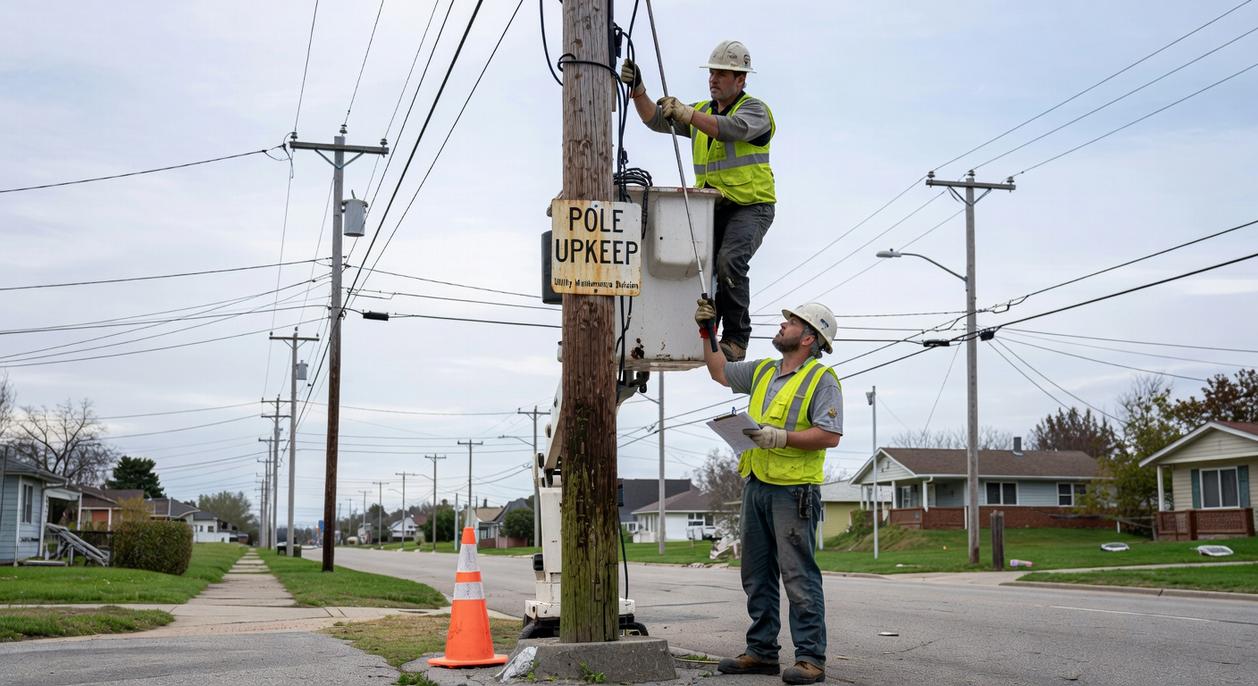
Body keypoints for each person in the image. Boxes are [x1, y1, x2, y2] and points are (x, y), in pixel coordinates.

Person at [694, 298, 842, 684]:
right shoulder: (763, 371)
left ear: (809, 337)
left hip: (794, 492)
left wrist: (782, 437)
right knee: (756, 575)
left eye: (791, 322)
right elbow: (719, 372)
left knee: (797, 575)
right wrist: (708, 332)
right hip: (757, 485)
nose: (782, 325)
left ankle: (811, 658)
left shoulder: (821, 380)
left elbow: (830, 435)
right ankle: (761, 653)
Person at [622, 40, 775, 362]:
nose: (714, 79)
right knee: (704, 272)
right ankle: (709, 334)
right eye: (712, 73)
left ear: (741, 80)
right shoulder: (702, 113)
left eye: (723, 74)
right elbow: (654, 120)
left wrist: (687, 114)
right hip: (714, 207)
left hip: (751, 205)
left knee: (729, 262)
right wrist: (639, 91)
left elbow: (730, 130)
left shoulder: (754, 111)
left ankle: (736, 339)